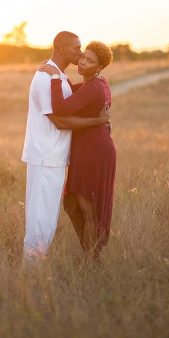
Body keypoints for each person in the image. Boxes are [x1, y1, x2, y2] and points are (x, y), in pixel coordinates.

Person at [21, 31, 109, 261]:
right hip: (45, 156)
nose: (80, 54)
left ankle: (36, 268)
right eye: (75, 49)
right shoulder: (44, 77)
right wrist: (96, 121)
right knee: (40, 217)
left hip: (55, 157)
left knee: (48, 216)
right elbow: (58, 120)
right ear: (60, 48)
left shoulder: (58, 76)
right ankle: (31, 270)